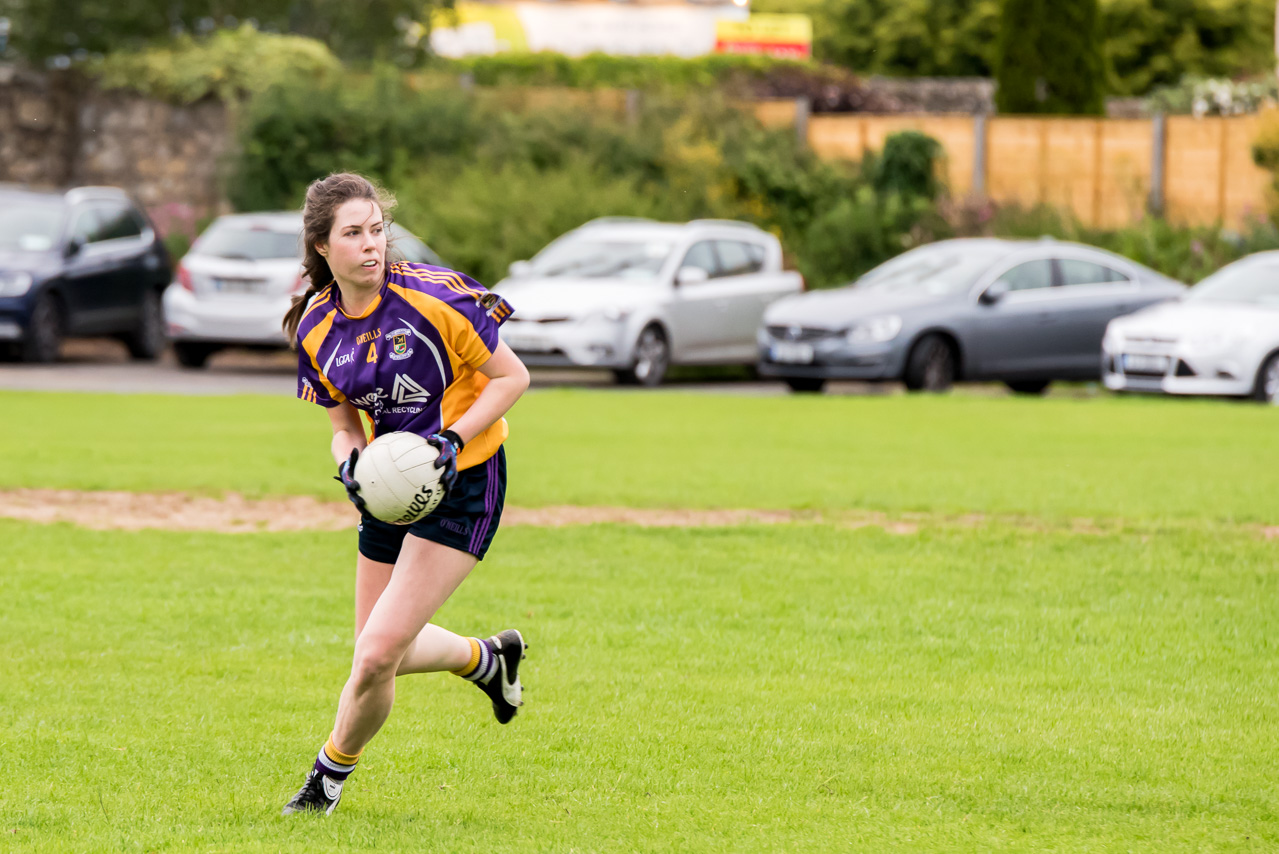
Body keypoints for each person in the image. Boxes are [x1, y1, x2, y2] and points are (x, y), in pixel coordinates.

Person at [279, 172, 530, 815]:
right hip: (389, 489)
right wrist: (350, 466)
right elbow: (341, 424)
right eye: (353, 234)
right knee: (377, 650)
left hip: (464, 478)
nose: (371, 244)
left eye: (376, 229)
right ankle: (486, 659)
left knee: (375, 656)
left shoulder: (434, 296)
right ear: (322, 248)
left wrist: (449, 440)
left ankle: (323, 783)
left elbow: (512, 378)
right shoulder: (315, 325)